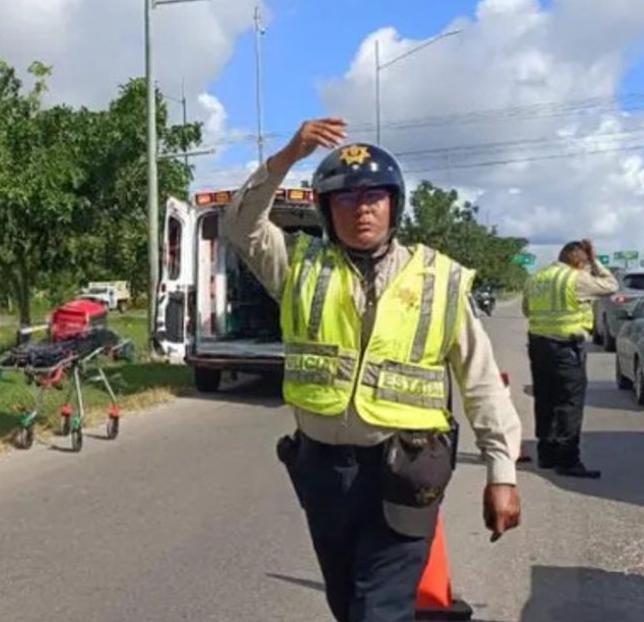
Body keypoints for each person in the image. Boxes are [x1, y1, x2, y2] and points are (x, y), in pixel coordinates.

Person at [223, 118, 523, 622]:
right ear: (325, 209)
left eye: (373, 198)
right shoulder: (299, 267)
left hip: (406, 469)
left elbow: (482, 384)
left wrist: (502, 473)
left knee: (377, 610)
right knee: (348, 604)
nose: (361, 210)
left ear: (393, 204)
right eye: (344, 199)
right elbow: (239, 224)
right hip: (324, 472)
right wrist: (288, 156)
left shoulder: (438, 280)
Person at [522, 240, 618, 478]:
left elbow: (527, 310)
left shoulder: (536, 278)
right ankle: (567, 460)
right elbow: (611, 285)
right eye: (584, 263)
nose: (585, 267)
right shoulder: (575, 278)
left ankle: (547, 454)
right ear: (578, 260)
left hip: (538, 345)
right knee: (569, 403)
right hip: (566, 348)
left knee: (545, 399)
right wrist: (596, 261)